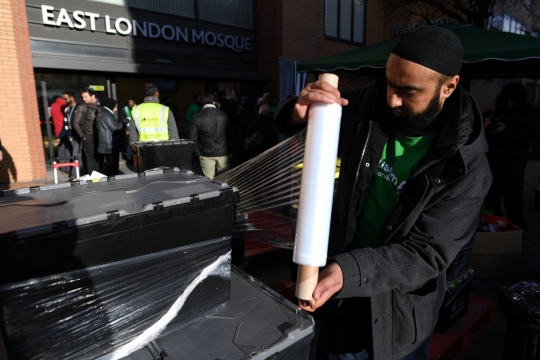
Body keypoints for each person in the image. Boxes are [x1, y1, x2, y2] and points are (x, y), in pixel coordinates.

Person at [274, 26, 491, 360]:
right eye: (389, 83)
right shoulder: (370, 105)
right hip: (338, 293)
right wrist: (298, 111)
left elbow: (428, 251)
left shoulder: (466, 167)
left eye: (407, 91)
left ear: (449, 87)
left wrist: (350, 270)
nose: (392, 99)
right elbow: (308, 119)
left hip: (398, 317)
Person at [484, 82, 540, 231]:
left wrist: (506, 130)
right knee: (491, 201)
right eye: (507, 100)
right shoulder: (501, 109)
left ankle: (518, 235)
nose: (509, 103)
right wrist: (487, 126)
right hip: (494, 163)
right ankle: (494, 232)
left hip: (513, 166)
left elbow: (528, 136)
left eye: (512, 101)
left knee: (513, 204)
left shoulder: (530, 113)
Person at [189, 93, 233, 179]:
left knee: (209, 182)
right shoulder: (224, 115)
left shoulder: (196, 117)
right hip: (223, 153)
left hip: (206, 154)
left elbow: (192, 138)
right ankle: (223, 192)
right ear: (214, 102)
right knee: (224, 180)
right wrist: (230, 150)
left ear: (202, 103)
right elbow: (230, 134)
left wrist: (198, 153)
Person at [73, 88, 101, 175]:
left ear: (93, 96)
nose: (84, 99)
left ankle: (100, 177)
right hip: (89, 137)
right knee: (91, 160)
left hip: (100, 137)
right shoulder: (82, 107)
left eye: (86, 96)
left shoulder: (100, 106)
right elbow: (76, 123)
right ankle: (93, 180)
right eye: (83, 97)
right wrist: (83, 136)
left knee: (99, 159)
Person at [59, 91, 83, 180]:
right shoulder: (67, 109)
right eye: (63, 99)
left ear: (71, 97)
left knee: (76, 154)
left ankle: (74, 176)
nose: (64, 101)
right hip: (70, 136)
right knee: (76, 155)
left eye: (65, 98)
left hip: (77, 135)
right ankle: (79, 173)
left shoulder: (78, 107)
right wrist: (59, 137)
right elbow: (65, 124)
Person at [96, 98, 123, 176]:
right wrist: (123, 123)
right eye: (116, 106)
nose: (116, 109)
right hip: (110, 145)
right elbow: (115, 128)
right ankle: (111, 183)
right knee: (113, 166)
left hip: (106, 144)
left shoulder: (102, 113)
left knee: (110, 165)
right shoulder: (106, 115)